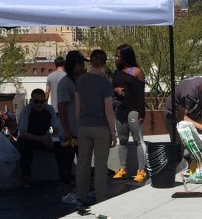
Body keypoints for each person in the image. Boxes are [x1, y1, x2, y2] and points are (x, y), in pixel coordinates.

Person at [75, 49, 117, 205]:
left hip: (84, 126)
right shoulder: (105, 83)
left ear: (90, 62)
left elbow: (77, 107)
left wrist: (79, 124)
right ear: (104, 63)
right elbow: (108, 111)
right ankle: (101, 198)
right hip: (101, 128)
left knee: (82, 164)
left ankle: (81, 197)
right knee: (100, 165)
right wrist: (113, 132)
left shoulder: (80, 80)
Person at [112, 44, 148, 183]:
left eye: (119, 56)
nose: (116, 58)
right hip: (121, 110)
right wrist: (115, 89)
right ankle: (123, 169)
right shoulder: (117, 72)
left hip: (134, 110)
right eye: (116, 56)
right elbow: (112, 87)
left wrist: (141, 113)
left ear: (126, 56)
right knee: (122, 140)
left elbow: (140, 94)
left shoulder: (137, 71)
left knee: (138, 140)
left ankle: (141, 170)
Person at [56, 50, 86, 205]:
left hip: (82, 131)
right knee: (66, 164)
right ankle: (65, 192)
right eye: (80, 64)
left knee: (83, 162)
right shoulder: (64, 84)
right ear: (73, 65)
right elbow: (61, 109)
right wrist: (66, 130)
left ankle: (82, 189)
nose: (83, 67)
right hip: (68, 132)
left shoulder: (82, 81)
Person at [165, 75, 202, 140]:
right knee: (181, 142)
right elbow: (181, 117)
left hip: (193, 111)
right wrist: (201, 126)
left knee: (201, 140)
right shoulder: (190, 91)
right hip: (175, 114)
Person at [16, 89, 56, 182]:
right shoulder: (26, 111)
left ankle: (63, 178)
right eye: (36, 101)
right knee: (23, 144)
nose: (38, 104)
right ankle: (26, 178)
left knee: (62, 147)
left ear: (45, 101)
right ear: (31, 101)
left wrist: (52, 139)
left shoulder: (49, 109)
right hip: (29, 139)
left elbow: (56, 129)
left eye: (41, 102)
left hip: (44, 138)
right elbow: (23, 133)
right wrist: (41, 139)